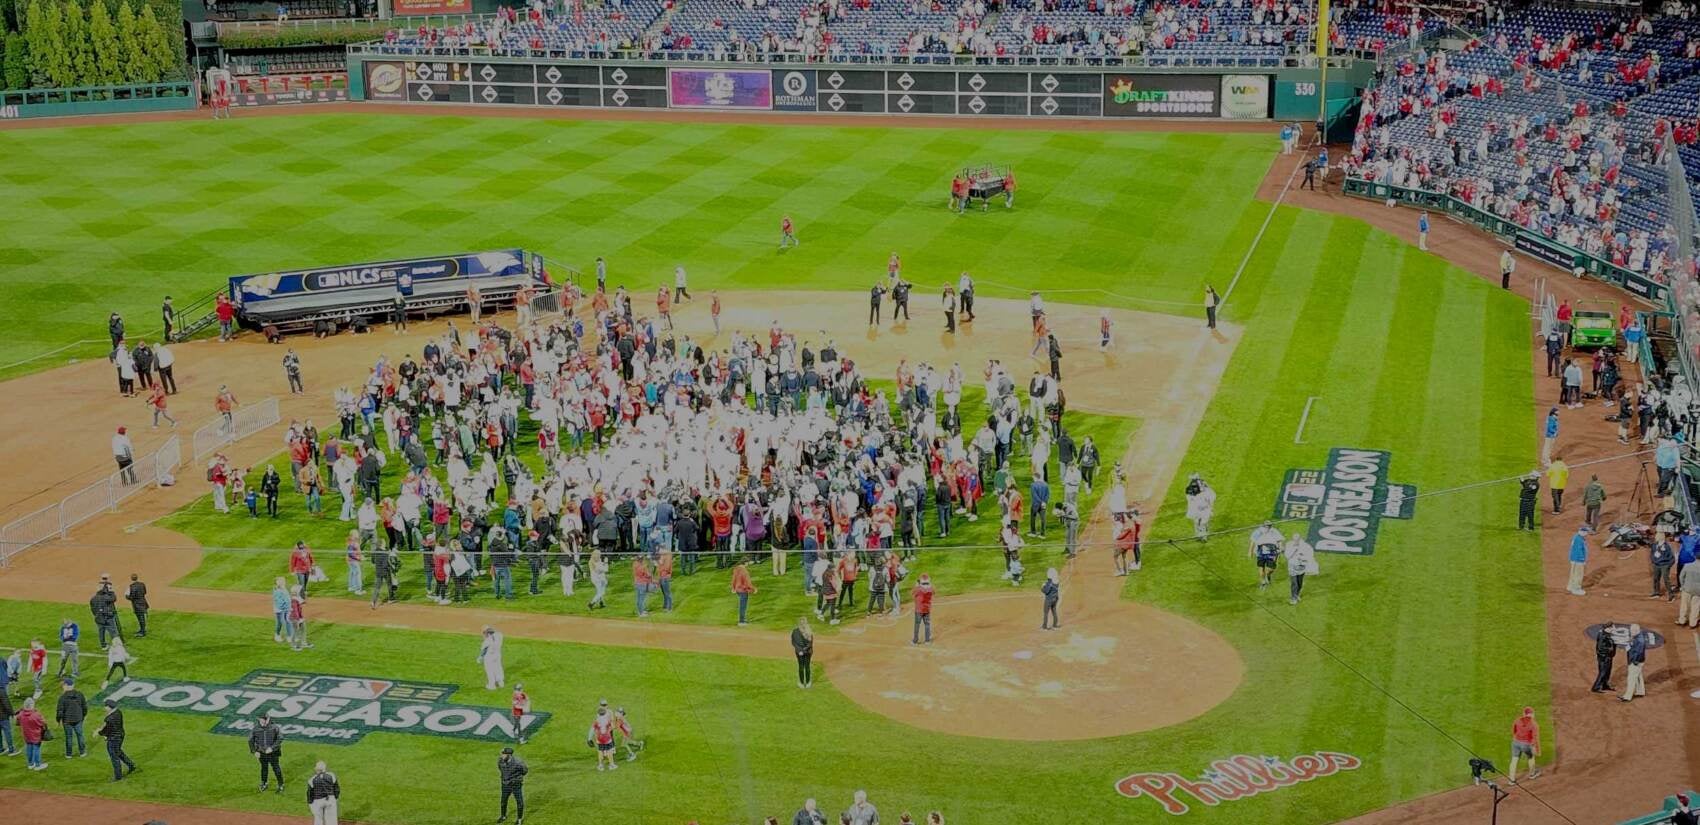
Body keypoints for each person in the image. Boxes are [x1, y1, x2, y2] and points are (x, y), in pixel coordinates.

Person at [97, 698, 135, 781]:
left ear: (109, 707)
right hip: (120, 735)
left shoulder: (109, 718)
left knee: (114, 757)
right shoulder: (118, 712)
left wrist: (99, 732)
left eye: (105, 706)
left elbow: (107, 730)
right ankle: (131, 765)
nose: (104, 708)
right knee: (118, 752)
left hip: (113, 738)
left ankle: (118, 776)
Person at [250, 713, 285, 792]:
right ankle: (264, 783)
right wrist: (254, 751)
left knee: (276, 768)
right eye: (262, 719)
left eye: (265, 719)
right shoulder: (256, 728)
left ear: (268, 719)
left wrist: (272, 748)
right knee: (264, 768)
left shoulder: (274, 727)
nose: (264, 721)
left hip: (273, 753)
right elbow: (250, 740)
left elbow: (280, 738)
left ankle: (281, 784)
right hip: (261, 752)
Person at [55, 677, 88, 759]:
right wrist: (82, 716)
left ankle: (69, 754)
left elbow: (60, 711)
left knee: (69, 737)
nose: (62, 686)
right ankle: (82, 752)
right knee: (80, 735)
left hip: (67, 721)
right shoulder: (80, 694)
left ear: (66, 685)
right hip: (78, 719)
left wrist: (58, 720)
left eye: (63, 685)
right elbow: (84, 707)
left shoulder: (62, 698)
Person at [1509, 706, 1540, 781]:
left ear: (1524, 714)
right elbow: (1534, 738)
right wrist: (1536, 749)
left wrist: (1518, 737)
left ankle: (1511, 780)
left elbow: (1513, 731)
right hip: (1526, 744)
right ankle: (1532, 774)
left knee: (1514, 760)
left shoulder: (1517, 720)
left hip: (1515, 742)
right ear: (1532, 714)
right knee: (1531, 757)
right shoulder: (1534, 724)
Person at [1284, 532, 1317, 605]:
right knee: (1294, 583)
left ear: (1300, 539)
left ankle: (1297, 594)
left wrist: (1302, 558)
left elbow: (1310, 555)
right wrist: (1294, 550)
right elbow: (1287, 556)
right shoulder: (1289, 544)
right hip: (1292, 566)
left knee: (1300, 583)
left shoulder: (1305, 546)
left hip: (1301, 567)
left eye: (1297, 540)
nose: (1296, 541)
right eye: (1294, 540)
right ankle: (1293, 598)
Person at [497, 746, 527, 824]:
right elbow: (500, 768)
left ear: (509, 755)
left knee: (519, 802)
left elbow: (524, 771)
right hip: (505, 784)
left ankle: (519, 819)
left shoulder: (518, 762)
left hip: (515, 784)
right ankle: (503, 816)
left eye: (504, 754)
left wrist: (516, 778)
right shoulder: (501, 761)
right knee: (503, 801)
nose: (502, 755)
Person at [1249, 520, 1282, 589]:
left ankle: (1268, 575)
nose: (1268, 527)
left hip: (1272, 551)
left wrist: (1280, 548)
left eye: (1269, 526)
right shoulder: (1258, 532)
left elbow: (1279, 540)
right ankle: (1263, 582)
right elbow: (1252, 542)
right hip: (1260, 552)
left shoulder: (1274, 531)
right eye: (1266, 526)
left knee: (1271, 568)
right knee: (1261, 568)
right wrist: (1250, 552)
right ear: (1263, 526)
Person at [1620, 623, 1648, 702]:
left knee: (1631, 678)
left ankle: (1627, 696)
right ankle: (1640, 691)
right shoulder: (1637, 636)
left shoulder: (1640, 641)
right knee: (1638, 675)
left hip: (1636, 661)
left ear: (1636, 631)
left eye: (1631, 631)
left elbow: (1639, 653)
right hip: (1637, 661)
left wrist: (1634, 662)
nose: (1630, 632)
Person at [307, 761, 340, 825]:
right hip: (330, 799)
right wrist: (335, 798)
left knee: (318, 820)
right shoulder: (332, 775)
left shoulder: (312, 780)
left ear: (316, 769)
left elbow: (310, 794)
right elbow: (336, 789)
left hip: (318, 801)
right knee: (331, 820)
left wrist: (311, 804)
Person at [18, 698, 47, 771]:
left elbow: (17, 722)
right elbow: (43, 723)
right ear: (32, 705)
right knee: (36, 748)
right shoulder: (35, 715)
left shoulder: (21, 714)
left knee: (29, 748)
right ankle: (38, 764)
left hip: (26, 735)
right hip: (35, 735)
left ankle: (30, 764)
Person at [1185, 473, 1215, 538]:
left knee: (1203, 523)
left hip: (1205, 509)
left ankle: (1204, 536)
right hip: (1196, 510)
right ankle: (1198, 535)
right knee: (1196, 523)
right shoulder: (1190, 493)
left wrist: (1211, 508)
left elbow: (1211, 497)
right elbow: (1188, 490)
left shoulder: (1207, 492)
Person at [589, 704, 617, 771]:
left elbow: (592, 730)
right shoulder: (607, 720)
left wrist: (589, 739)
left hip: (599, 739)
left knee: (600, 752)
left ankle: (600, 765)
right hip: (607, 738)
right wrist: (609, 728)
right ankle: (611, 765)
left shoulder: (597, 721)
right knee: (609, 751)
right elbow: (613, 727)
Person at [1591, 621, 1617, 693]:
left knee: (1607, 672)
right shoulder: (1602, 635)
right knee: (1602, 672)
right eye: (1613, 627)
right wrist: (1610, 649)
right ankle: (1596, 687)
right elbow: (1600, 648)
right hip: (1603, 658)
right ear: (1609, 628)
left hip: (1608, 657)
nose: (1614, 628)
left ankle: (1605, 685)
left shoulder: (1607, 634)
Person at [480, 626, 506, 690]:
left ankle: (492, 685)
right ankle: (501, 682)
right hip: (497, 655)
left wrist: (480, 657)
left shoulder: (486, 641)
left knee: (489, 670)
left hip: (489, 657)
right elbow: (496, 633)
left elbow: (483, 650)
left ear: (488, 633)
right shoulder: (500, 635)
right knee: (498, 667)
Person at [732, 561, 757, 626]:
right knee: (743, 606)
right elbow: (748, 583)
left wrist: (733, 588)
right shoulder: (745, 571)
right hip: (743, 590)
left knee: (742, 605)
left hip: (737, 590)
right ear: (745, 563)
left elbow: (733, 579)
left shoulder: (736, 569)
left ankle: (742, 620)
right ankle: (741, 621)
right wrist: (753, 589)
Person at [912, 573, 934, 645]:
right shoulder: (930, 589)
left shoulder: (918, 589)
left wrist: (916, 585)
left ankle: (915, 641)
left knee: (917, 625)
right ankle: (927, 640)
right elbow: (933, 591)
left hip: (919, 610)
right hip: (927, 609)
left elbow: (913, 593)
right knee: (927, 624)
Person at [792, 616, 814, 688]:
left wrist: (800, 651)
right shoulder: (809, 631)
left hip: (800, 652)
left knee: (801, 666)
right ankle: (807, 683)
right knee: (806, 666)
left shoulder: (795, 631)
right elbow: (810, 644)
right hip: (807, 652)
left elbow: (793, 642)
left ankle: (802, 683)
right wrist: (803, 650)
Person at [1567, 526, 1589, 596]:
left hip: (1573, 558)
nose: (1587, 533)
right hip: (1578, 560)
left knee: (1573, 573)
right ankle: (1576, 589)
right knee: (1578, 575)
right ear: (1582, 532)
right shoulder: (1579, 540)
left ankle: (1570, 586)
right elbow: (1579, 551)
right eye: (1586, 532)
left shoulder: (1576, 537)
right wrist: (1582, 559)